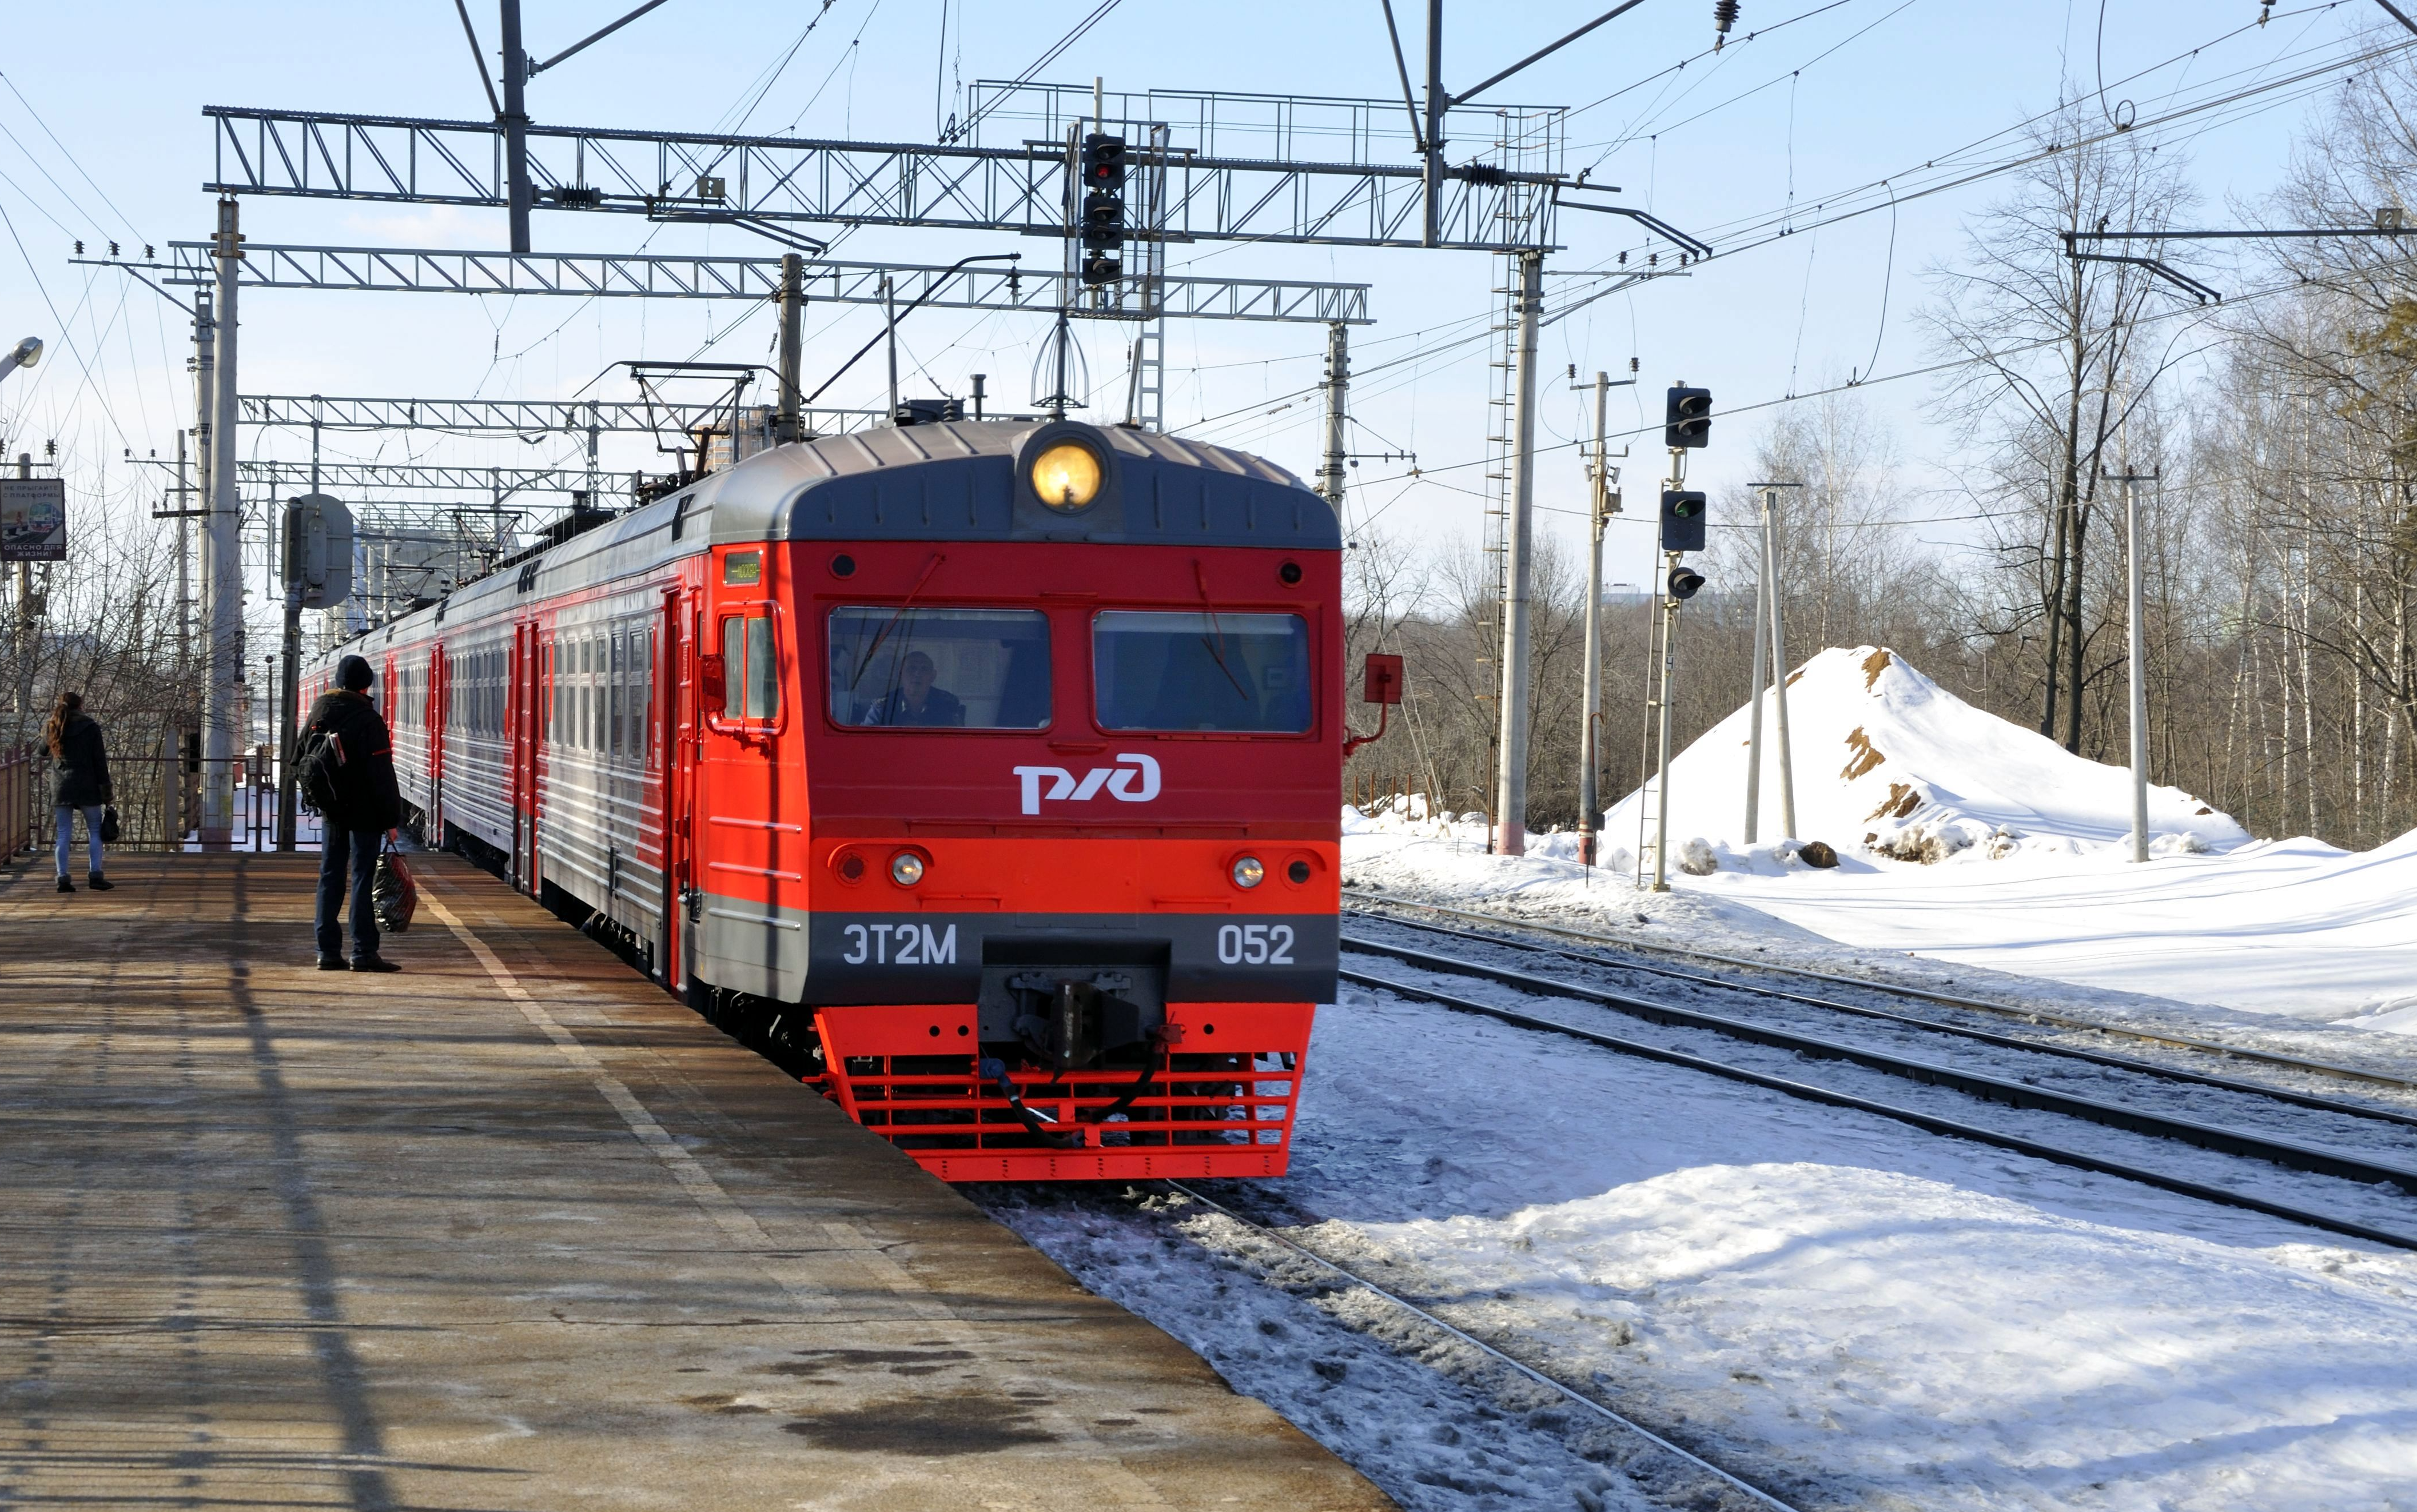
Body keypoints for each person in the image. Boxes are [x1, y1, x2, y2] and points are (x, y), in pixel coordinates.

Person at [299, 654, 405, 972]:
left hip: (333, 810)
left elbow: (299, 757)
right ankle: (363, 953)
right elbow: (382, 773)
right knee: (362, 877)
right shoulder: (367, 718)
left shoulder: (320, 711)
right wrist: (391, 819)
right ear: (366, 684)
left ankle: (327, 952)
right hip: (365, 812)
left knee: (330, 876)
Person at [45, 691, 112, 893]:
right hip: (88, 785)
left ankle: (63, 879)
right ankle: (95, 876)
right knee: (94, 830)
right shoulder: (90, 727)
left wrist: (48, 727)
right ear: (80, 706)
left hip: (61, 786)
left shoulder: (54, 726)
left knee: (64, 833)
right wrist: (106, 791)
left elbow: (41, 750)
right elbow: (99, 761)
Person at [864, 649, 965, 727]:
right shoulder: (883, 706)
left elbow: (957, 742)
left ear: (933, 676)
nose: (917, 674)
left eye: (924, 669)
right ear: (901, 674)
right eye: (912, 668)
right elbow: (866, 740)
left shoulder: (947, 704)